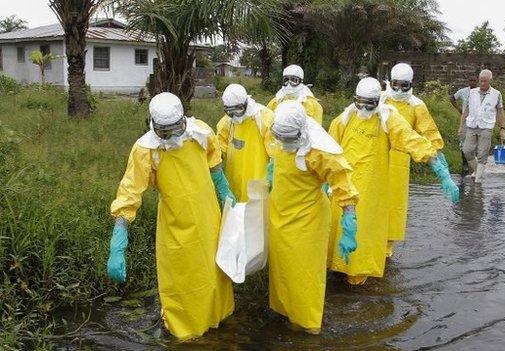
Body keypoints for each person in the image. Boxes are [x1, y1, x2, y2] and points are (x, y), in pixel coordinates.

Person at [107, 92, 236, 340]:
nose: (172, 137)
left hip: (209, 216)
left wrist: (225, 191)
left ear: (183, 120)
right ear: (154, 126)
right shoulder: (145, 149)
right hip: (175, 222)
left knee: (214, 271)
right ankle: (186, 329)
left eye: (176, 129)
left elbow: (214, 163)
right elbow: (130, 191)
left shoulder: (201, 132)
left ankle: (217, 317)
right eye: (165, 132)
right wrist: (119, 237)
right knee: (182, 279)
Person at [328, 77, 459, 286]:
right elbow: (328, 147)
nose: (363, 108)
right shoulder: (344, 118)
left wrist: (441, 171)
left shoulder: (389, 120)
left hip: (371, 189)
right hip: (343, 185)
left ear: (377, 101)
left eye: (368, 104)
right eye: (359, 102)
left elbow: (414, 141)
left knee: (364, 231)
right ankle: (335, 270)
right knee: (336, 229)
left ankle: (358, 278)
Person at [266, 101, 359, 334]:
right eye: (281, 137)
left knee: (305, 276)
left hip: (308, 222)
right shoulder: (281, 133)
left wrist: (349, 225)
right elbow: (277, 157)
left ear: (301, 132)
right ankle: (286, 312)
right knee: (282, 270)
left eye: (289, 139)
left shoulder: (319, 151)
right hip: (280, 216)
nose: (284, 143)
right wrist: (271, 170)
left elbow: (343, 185)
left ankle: (308, 325)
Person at [382, 63, 446, 258]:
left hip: (400, 161)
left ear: (411, 84)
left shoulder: (417, 106)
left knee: (394, 205)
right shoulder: (379, 100)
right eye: (395, 85)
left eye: (404, 86)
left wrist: (439, 162)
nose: (399, 90)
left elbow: (429, 132)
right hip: (376, 157)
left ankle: (386, 251)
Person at [216, 84, 274, 202]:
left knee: (256, 215)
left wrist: (271, 177)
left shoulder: (264, 118)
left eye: (238, 111)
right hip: (234, 179)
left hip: (257, 180)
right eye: (230, 112)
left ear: (246, 103)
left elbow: (276, 154)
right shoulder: (228, 121)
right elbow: (219, 145)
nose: (235, 116)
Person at [459, 69, 505, 183]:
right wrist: (461, 126)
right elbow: (466, 110)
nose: (482, 83)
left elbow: (500, 112)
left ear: (490, 80)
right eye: (481, 81)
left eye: (485, 81)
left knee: (482, 153)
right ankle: (477, 170)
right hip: (472, 125)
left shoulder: (496, 94)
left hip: (486, 127)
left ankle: (478, 181)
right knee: (466, 150)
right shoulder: (472, 93)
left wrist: (502, 128)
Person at [451, 76, 478, 177]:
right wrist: (458, 109)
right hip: (466, 122)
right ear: (468, 82)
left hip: (477, 122)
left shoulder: (481, 92)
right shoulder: (463, 92)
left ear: (477, 82)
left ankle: (474, 167)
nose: (472, 82)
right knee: (463, 144)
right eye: (471, 80)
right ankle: (465, 165)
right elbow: (452, 98)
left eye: (474, 80)